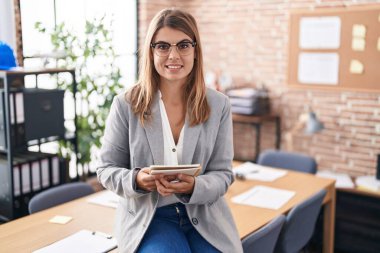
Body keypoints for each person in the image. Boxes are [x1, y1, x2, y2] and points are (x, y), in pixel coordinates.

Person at [97, 8, 243, 253]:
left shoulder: (218, 105)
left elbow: (223, 174)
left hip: (205, 216)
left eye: (183, 45)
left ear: (195, 50)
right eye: (163, 46)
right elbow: (106, 169)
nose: (173, 55)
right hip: (150, 217)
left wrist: (194, 187)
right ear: (151, 51)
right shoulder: (126, 104)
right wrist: (137, 180)